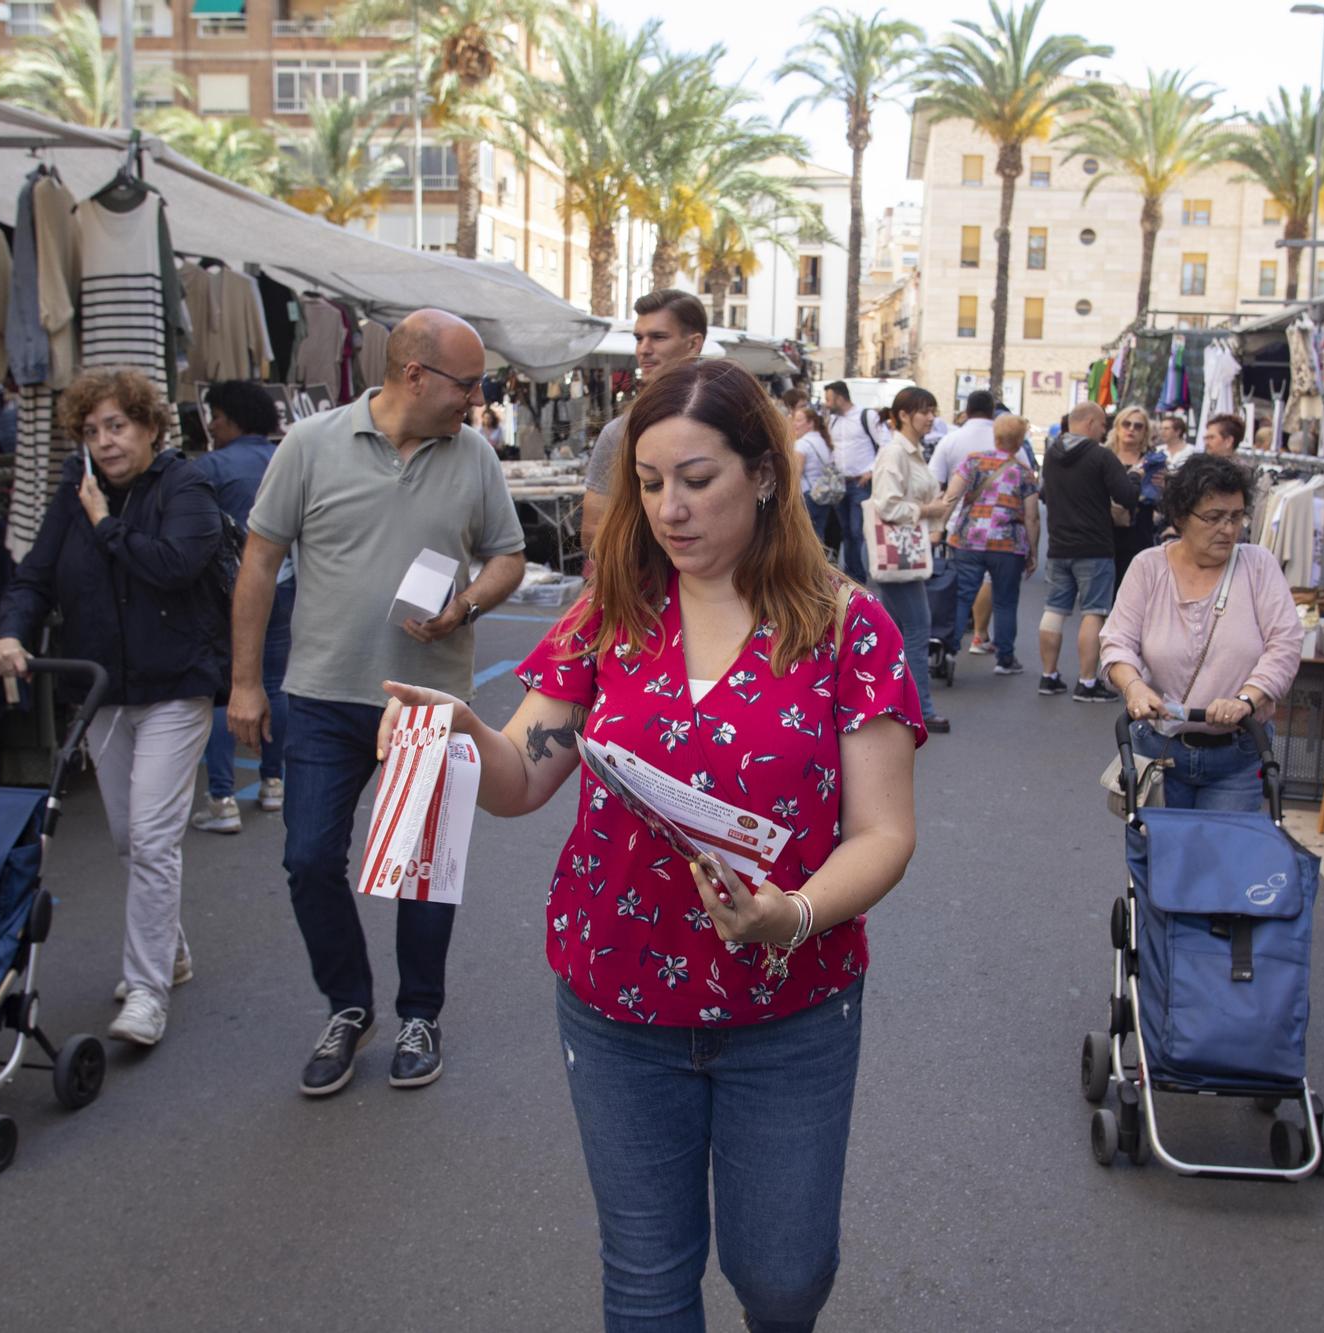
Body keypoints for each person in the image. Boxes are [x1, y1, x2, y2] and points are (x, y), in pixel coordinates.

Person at [378, 357, 924, 1331]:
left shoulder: (849, 627)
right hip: (615, 998)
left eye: (697, 479)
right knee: (644, 1278)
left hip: (788, 1006)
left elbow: (882, 833)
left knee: (784, 1275)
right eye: (649, 482)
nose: (670, 509)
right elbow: (523, 775)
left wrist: (789, 913)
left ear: (763, 472)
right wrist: (465, 733)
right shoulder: (610, 614)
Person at [232, 309, 528, 1097]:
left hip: (432, 700)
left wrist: (465, 604)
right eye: (467, 384)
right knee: (308, 860)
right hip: (325, 694)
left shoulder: (472, 456)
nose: (477, 399)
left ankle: (418, 1013)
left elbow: (510, 556)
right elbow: (259, 562)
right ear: (414, 375)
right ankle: (349, 1003)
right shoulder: (310, 444)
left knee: (421, 870)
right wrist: (244, 681)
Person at [0, 368, 227, 1047]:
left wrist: (104, 523)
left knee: (151, 838)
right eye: (91, 430)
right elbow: (34, 575)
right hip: (102, 689)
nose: (105, 441)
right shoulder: (74, 493)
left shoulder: (187, 487)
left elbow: (175, 565)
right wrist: (11, 630)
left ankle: (147, 989)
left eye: (117, 426)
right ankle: (170, 950)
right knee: (128, 837)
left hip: (176, 684)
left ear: (150, 426)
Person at [1101, 453, 1301, 810]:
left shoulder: (1258, 567)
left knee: (1220, 860)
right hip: (1159, 751)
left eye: (1236, 517)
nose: (1228, 529)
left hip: (1238, 754)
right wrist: (1134, 688)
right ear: (1180, 518)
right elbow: (1117, 642)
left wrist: (1246, 699)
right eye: (1213, 518)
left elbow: (1284, 645)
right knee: (1158, 858)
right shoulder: (1148, 568)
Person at [189, 380, 294, 837]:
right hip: (287, 584)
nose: (210, 425)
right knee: (276, 682)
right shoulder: (286, 457)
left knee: (225, 687)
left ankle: (223, 798)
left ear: (232, 417)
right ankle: (274, 782)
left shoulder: (209, 467)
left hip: (229, 591)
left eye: (214, 416)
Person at [581, 289, 709, 549]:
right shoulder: (620, 432)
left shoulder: (734, 417)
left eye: (658, 337)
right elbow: (593, 533)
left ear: (693, 344)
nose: (644, 349)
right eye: (639, 338)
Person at [1037, 401, 1139, 702]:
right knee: (1094, 612)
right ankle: (1086, 681)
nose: (1105, 429)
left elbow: (1044, 493)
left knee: (1054, 610)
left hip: (1058, 546)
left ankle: (1049, 675)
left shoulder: (1052, 455)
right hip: (1094, 546)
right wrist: (1135, 477)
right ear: (1091, 422)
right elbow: (1126, 496)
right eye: (1103, 424)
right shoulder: (1101, 455)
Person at [873, 385, 954, 733]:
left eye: (933, 410)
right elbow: (886, 505)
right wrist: (930, 510)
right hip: (899, 553)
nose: (930, 417)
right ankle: (921, 708)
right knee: (917, 630)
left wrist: (933, 515)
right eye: (924, 410)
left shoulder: (912, 451)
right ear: (904, 415)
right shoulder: (896, 453)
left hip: (908, 551)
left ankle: (890, 704)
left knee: (893, 633)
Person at [941, 414, 1041, 675]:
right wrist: (1033, 551)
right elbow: (1032, 516)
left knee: (963, 595)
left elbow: (952, 495)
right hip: (1008, 546)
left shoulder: (973, 461)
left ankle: (949, 650)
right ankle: (1005, 659)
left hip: (968, 540)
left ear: (995, 436)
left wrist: (939, 527)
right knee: (1005, 601)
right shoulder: (1023, 472)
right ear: (1020, 443)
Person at [930, 390, 1005, 654]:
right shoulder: (1004, 440)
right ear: (992, 410)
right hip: (999, 529)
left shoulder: (950, 440)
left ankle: (950, 644)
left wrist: (937, 526)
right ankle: (981, 635)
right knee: (990, 582)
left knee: (959, 586)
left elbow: (936, 484)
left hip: (958, 525)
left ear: (967, 411)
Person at [823, 379, 887, 585]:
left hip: (860, 484)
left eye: (829, 399)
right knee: (846, 532)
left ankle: (857, 578)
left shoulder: (866, 416)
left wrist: (871, 471)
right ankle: (850, 576)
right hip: (841, 484)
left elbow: (886, 444)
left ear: (840, 398)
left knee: (856, 531)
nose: (826, 403)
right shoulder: (833, 421)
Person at [1108, 405, 1167, 584]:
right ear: (1118, 427)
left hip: (1139, 535)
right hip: (1106, 535)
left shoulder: (1153, 462)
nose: (1131, 429)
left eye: (1138, 426)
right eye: (1127, 424)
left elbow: (1163, 504)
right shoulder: (1104, 457)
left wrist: (1165, 487)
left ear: (1145, 432)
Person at [791, 402, 843, 562]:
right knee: (818, 536)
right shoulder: (823, 441)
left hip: (807, 496)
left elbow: (795, 474)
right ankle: (820, 570)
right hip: (823, 495)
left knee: (806, 539)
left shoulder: (802, 444)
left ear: (810, 423)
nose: (794, 424)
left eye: (799, 420)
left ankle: (811, 573)